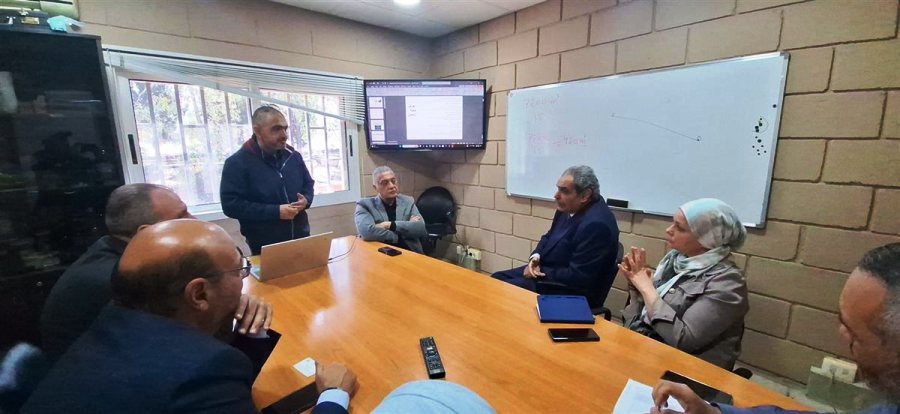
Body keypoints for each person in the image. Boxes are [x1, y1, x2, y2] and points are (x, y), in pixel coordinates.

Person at [21, 219, 357, 414]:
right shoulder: (202, 372)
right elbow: (198, 375)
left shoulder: (110, 323)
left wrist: (248, 332)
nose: (243, 280)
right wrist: (333, 396)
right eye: (239, 270)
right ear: (198, 294)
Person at [650, 243, 900, 414]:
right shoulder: (672, 264)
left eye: (857, 336)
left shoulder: (725, 281)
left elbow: (684, 337)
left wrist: (647, 289)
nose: (842, 336)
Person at [39, 183, 202, 361]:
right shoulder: (122, 279)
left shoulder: (112, 250)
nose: (195, 220)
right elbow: (182, 341)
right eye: (182, 216)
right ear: (147, 233)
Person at [620, 198, 748, 370]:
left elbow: (682, 340)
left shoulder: (728, 283)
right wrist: (636, 287)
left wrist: (647, 288)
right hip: (647, 351)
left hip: (686, 372)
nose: (669, 230)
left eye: (679, 227)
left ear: (707, 238)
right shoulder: (675, 262)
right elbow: (637, 318)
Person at [491, 165, 619, 307]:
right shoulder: (568, 207)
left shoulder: (597, 224)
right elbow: (549, 236)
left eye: (564, 191)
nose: (556, 195)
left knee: (503, 292)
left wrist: (541, 271)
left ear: (585, 195)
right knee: (495, 279)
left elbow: (578, 276)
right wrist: (535, 258)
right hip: (550, 274)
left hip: (570, 291)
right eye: (558, 189)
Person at [221, 105, 315, 255]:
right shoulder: (237, 163)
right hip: (265, 245)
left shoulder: (293, 156)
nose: (284, 135)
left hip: (301, 237)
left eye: (285, 128)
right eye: (276, 129)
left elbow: (308, 184)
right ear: (257, 131)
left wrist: (306, 200)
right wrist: (275, 212)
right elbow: (231, 205)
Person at [354, 166, 427, 253]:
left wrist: (389, 225)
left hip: (410, 252)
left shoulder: (408, 201)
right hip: (381, 253)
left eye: (393, 181)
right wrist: (401, 234)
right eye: (385, 183)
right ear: (375, 187)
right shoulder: (365, 205)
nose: (392, 186)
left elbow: (420, 228)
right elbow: (367, 232)